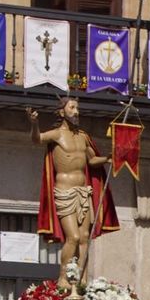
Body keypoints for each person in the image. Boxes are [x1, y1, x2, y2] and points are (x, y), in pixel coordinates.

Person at [30, 97, 118, 286]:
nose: (76, 112)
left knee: (85, 237)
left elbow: (91, 161)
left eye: (77, 108)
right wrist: (34, 123)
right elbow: (36, 139)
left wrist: (107, 159)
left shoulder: (83, 137)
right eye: (72, 107)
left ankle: (81, 280)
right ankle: (63, 277)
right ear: (62, 112)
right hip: (65, 191)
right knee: (74, 237)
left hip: (83, 191)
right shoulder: (55, 134)